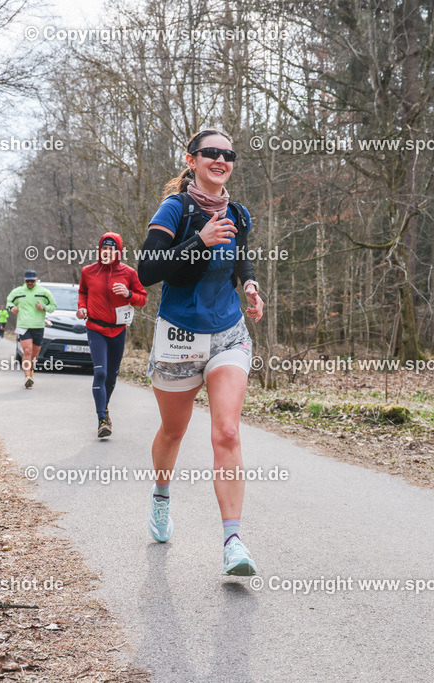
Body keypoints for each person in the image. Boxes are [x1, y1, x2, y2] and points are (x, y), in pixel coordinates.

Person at [137, 128, 263, 576]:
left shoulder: (240, 214)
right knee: (174, 431)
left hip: (229, 332)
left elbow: (241, 255)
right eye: (210, 152)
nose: (220, 159)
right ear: (191, 160)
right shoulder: (175, 209)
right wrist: (199, 242)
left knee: (227, 432)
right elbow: (147, 270)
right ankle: (160, 496)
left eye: (228, 154)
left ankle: (233, 542)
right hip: (179, 337)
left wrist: (249, 284)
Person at [77, 232, 147, 438]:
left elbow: (142, 299)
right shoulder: (88, 271)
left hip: (118, 329)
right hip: (95, 328)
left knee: (112, 375)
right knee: (100, 372)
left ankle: (104, 411)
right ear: (100, 250)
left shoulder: (128, 273)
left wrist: (128, 294)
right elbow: (83, 293)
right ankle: (101, 419)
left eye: (111, 249)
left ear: (118, 251)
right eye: (104, 249)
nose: (107, 252)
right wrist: (81, 308)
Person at [6, 270, 56, 388]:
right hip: (23, 325)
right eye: (27, 281)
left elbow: (53, 306)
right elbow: (9, 302)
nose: (29, 283)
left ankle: (31, 372)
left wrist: (43, 307)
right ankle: (27, 377)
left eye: (32, 281)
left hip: (38, 326)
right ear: (24, 280)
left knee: (35, 354)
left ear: (36, 280)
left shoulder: (44, 292)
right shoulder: (17, 291)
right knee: (27, 351)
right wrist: (12, 308)